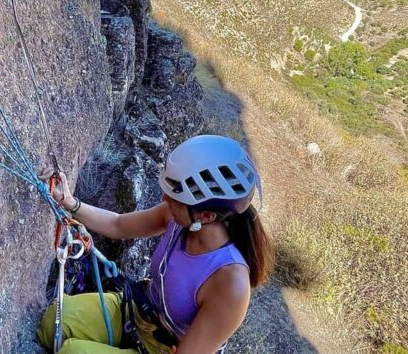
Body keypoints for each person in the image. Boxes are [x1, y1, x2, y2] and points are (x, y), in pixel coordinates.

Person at [37, 135, 274, 354]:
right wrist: (70, 203)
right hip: (137, 311)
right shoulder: (178, 216)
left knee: (73, 352)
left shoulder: (230, 284)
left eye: (175, 198)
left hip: (163, 348)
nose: (165, 199)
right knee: (53, 324)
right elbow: (118, 225)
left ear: (207, 216)